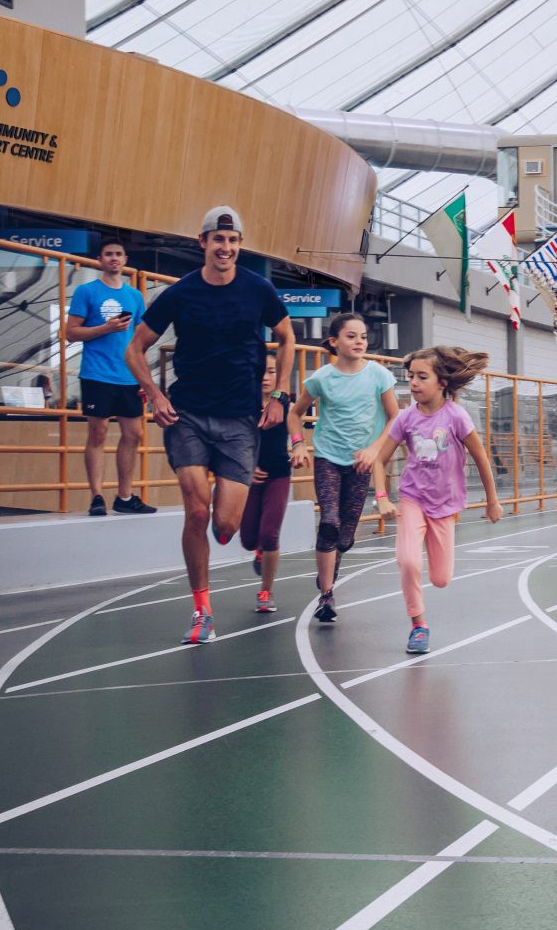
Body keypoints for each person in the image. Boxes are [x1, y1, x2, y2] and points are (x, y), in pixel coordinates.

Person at [126, 206, 295, 646]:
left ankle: (240, 532)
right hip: (188, 416)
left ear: (239, 245)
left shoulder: (258, 289)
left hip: (240, 420)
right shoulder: (180, 294)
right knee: (196, 511)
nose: (226, 248)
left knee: (224, 526)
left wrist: (279, 394)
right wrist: (155, 394)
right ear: (202, 243)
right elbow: (135, 348)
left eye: (233, 241)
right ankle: (202, 610)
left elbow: (287, 335)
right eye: (218, 241)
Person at [356, 345, 502, 654]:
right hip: (413, 499)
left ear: (442, 383)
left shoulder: (456, 417)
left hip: (445, 505)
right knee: (408, 561)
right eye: (410, 377)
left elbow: (480, 457)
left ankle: (427, 600)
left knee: (441, 579)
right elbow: (380, 461)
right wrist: (382, 497)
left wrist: (492, 500)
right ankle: (418, 625)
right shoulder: (406, 418)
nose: (413, 383)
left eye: (422, 377)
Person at [288, 313, 398, 625]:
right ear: (334, 342)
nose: (359, 341)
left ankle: (330, 564)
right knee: (330, 522)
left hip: (361, 463)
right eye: (351, 336)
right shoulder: (322, 378)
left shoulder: (378, 375)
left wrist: (374, 449)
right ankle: (326, 594)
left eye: (363, 336)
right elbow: (295, 414)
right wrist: (297, 443)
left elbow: (394, 418)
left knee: (346, 536)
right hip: (328, 458)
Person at [64, 238, 157, 516]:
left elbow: (140, 338)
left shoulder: (135, 296)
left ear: (125, 259)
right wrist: (105, 328)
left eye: (118, 254)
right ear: (100, 259)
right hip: (97, 372)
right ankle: (96, 496)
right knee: (98, 431)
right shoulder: (86, 292)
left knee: (134, 432)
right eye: (108, 254)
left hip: (128, 374)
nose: (114, 258)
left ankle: (125, 496)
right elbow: (71, 332)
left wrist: (144, 377)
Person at [242, 365, 292, 614]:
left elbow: (295, 427)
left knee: (270, 533)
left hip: (279, 474)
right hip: (249, 478)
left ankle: (265, 591)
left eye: (272, 371)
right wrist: (248, 468)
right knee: (248, 538)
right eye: (260, 371)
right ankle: (258, 551)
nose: (265, 376)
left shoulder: (285, 403)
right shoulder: (243, 404)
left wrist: (300, 445)